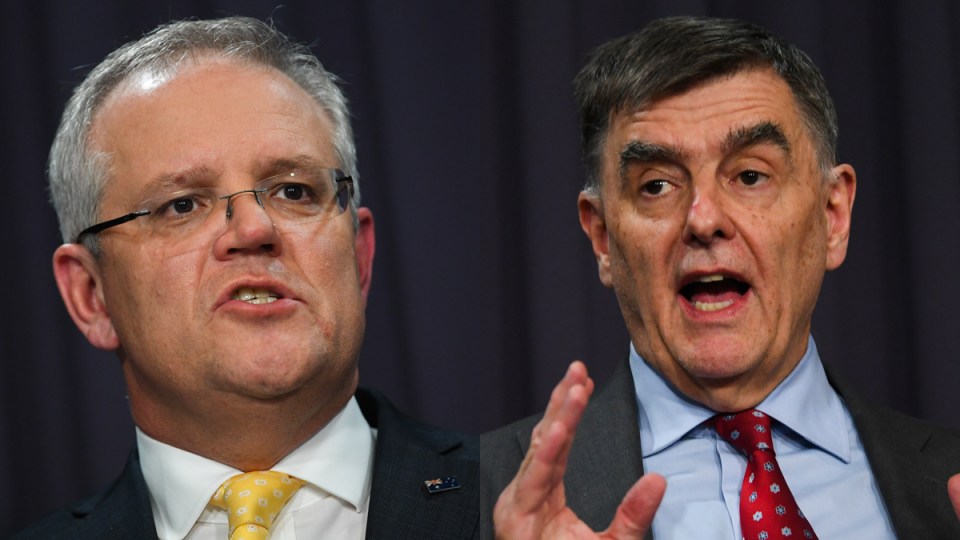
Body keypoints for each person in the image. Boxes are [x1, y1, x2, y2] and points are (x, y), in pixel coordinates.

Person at [481, 16, 960, 539]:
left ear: (833, 216)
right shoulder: (483, 494)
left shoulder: (948, 475)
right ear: (602, 239)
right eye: (657, 186)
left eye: (750, 176)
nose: (703, 219)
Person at [14, 16, 477, 540]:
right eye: (182, 205)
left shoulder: (517, 501)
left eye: (294, 191)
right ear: (91, 295)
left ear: (358, 256)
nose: (255, 228)